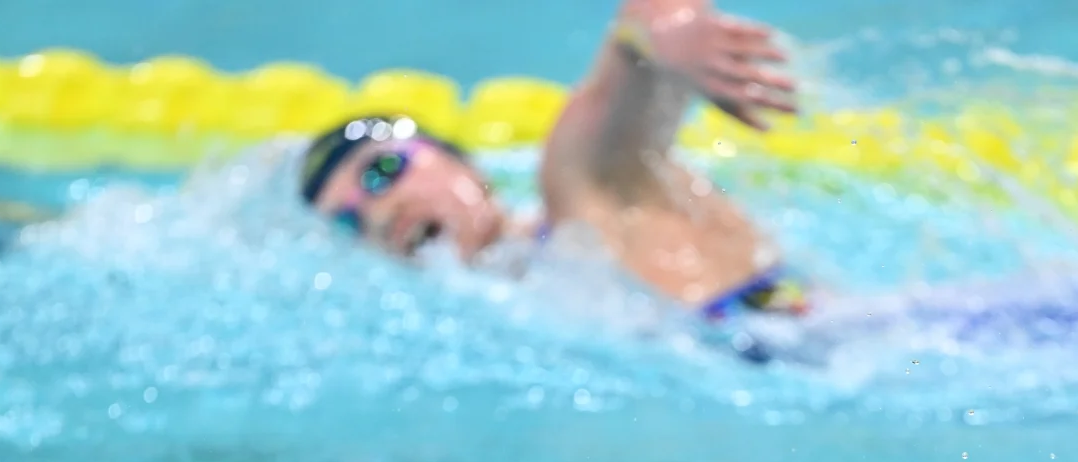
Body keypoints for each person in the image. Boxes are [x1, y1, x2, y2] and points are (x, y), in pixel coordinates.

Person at [298, 0, 809, 322]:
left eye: (381, 171)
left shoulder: (583, 189)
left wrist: (673, 32)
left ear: (463, 165)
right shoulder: (505, 304)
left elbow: (637, 26)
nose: (377, 213)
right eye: (348, 221)